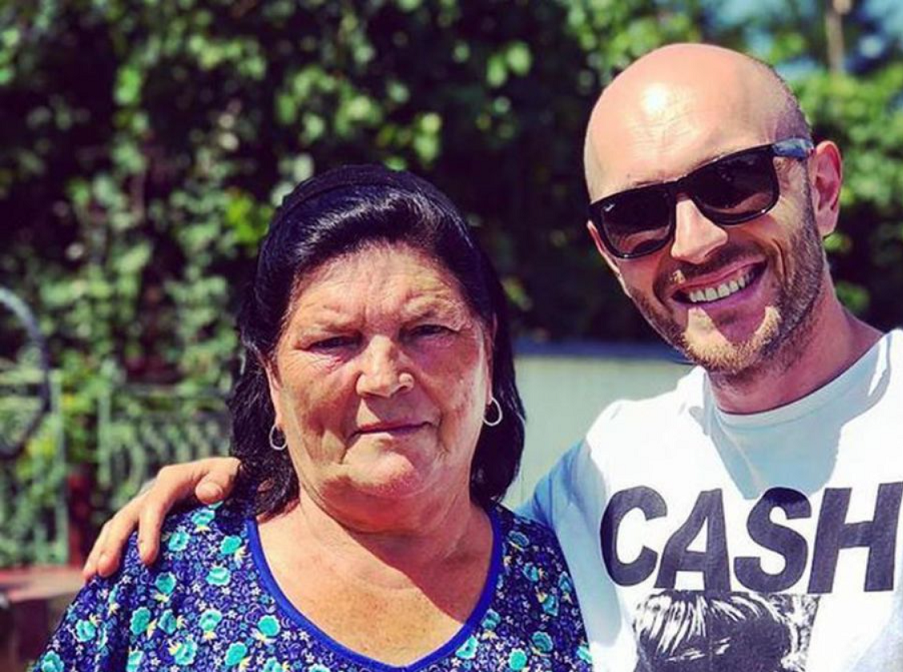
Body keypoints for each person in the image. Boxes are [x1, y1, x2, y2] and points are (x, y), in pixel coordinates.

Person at [83, 45, 903, 671]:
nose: (694, 241)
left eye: (734, 182)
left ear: (820, 187)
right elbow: (407, 510)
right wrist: (256, 482)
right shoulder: (599, 477)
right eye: (640, 215)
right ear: (608, 251)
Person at [40, 166, 591, 672]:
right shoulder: (164, 579)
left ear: (488, 352)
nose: (383, 378)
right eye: (334, 341)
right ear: (273, 378)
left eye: (427, 330)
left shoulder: (579, 589)